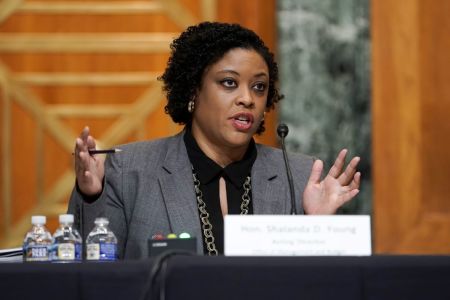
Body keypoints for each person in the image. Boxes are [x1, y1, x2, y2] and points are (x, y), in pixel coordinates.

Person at [68, 22, 360, 258]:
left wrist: (317, 228)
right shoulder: (130, 169)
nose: (247, 98)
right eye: (229, 83)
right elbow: (90, 278)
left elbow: (318, 287)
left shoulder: (298, 176)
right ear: (194, 90)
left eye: (259, 87)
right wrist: (91, 196)